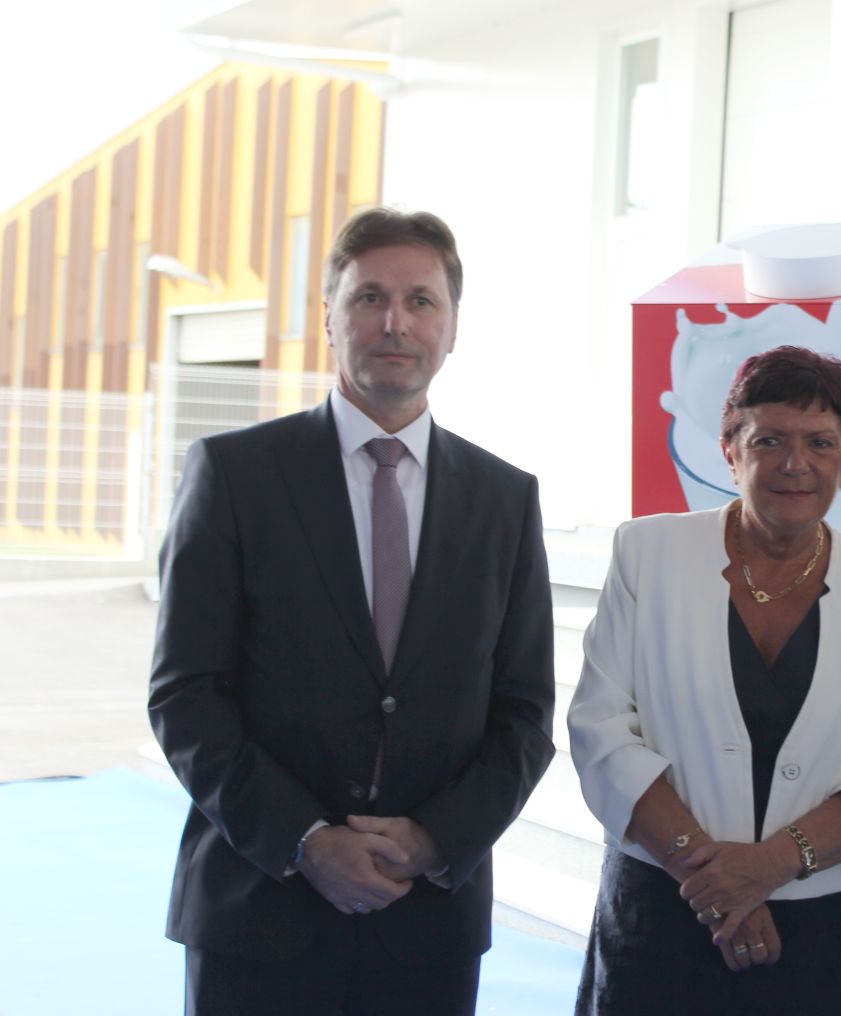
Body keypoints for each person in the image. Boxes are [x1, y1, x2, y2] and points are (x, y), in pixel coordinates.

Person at [148, 207, 557, 1015]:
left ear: (453, 326)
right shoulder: (234, 475)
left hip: (427, 923)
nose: (395, 322)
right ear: (329, 319)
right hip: (258, 911)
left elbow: (524, 713)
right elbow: (186, 695)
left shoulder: (505, 500)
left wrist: (434, 840)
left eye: (420, 300)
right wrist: (306, 842)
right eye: (369, 298)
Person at [567, 345, 841, 1014]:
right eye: (768, 440)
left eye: (820, 442)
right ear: (730, 450)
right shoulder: (647, 553)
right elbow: (601, 732)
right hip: (665, 914)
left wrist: (767, 868)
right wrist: (714, 884)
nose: (796, 464)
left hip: (823, 933)